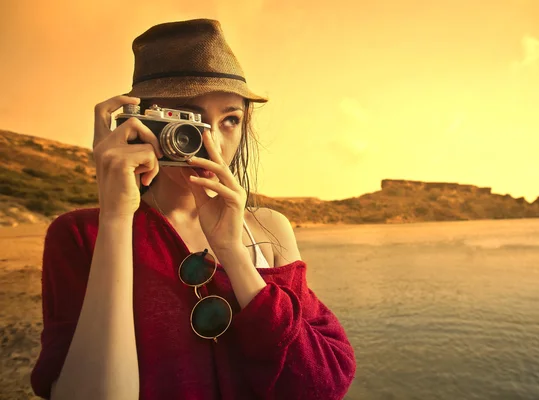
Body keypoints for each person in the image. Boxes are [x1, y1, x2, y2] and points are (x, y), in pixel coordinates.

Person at [29, 18, 356, 400]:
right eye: (188, 121)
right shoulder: (81, 235)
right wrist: (116, 218)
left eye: (230, 119)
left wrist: (235, 256)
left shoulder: (268, 229)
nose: (210, 142)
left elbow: (321, 385)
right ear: (138, 123)